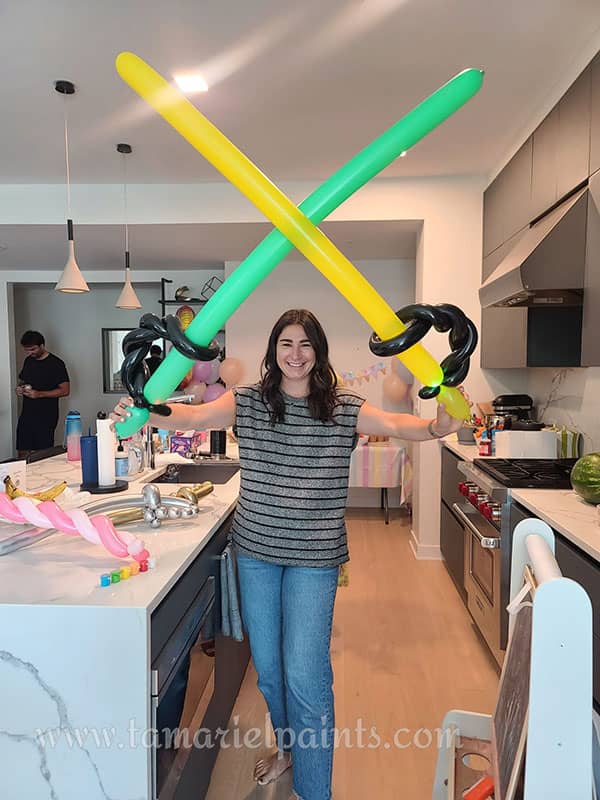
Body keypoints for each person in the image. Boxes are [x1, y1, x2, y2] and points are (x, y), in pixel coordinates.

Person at [111, 309, 463, 800]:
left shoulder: (343, 406)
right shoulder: (250, 401)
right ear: (273, 352)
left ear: (318, 352)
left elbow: (402, 424)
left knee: (306, 674)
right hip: (256, 552)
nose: (295, 355)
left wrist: (438, 426)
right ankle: (289, 749)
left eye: (306, 345)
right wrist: (147, 409)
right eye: (286, 344)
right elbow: (191, 415)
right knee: (272, 674)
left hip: (314, 558)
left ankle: (312, 791)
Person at [16, 331, 70, 459]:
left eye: (33, 349)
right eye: (27, 350)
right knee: (22, 451)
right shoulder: (28, 361)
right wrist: (20, 388)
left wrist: (39, 394)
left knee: (43, 454)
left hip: (46, 417)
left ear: (42, 345)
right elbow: (23, 380)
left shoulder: (56, 364)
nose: (30, 353)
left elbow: (65, 390)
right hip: (26, 415)